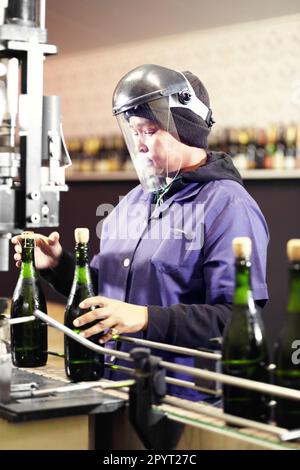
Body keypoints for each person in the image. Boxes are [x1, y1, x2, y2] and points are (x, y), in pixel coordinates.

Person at [12, 64, 269, 401]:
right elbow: (105, 291)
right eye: (134, 132)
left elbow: (235, 318)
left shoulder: (229, 206)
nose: (139, 144)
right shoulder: (133, 201)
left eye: (149, 130)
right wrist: (58, 265)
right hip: (111, 385)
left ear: (186, 128)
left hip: (183, 399)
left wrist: (146, 318)